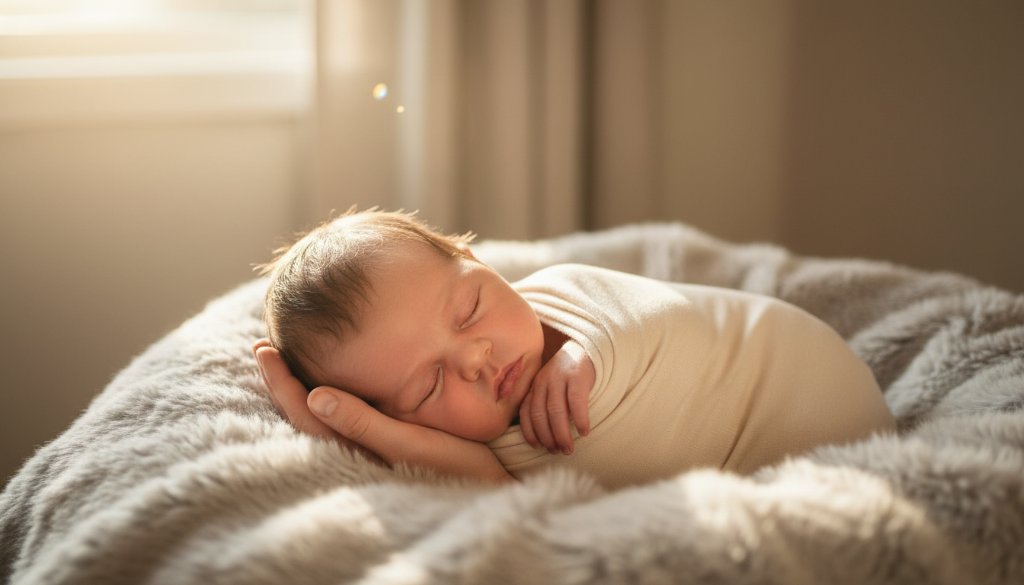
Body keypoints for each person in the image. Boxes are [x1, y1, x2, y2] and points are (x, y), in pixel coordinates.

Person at [253, 209, 896, 488]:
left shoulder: (561, 297)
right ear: (396, 421)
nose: (475, 358)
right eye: (428, 386)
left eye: (470, 307)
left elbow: (651, 314)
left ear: (477, 260)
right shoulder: (473, 454)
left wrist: (583, 351)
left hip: (794, 385)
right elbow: (513, 510)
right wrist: (372, 443)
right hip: (759, 480)